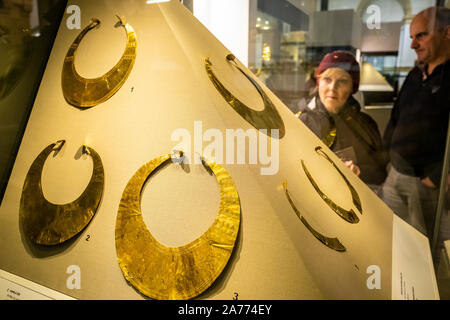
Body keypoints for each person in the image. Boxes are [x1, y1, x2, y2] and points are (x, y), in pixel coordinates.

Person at [380, 7, 450, 238]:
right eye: (411, 37)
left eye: (421, 35)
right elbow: (397, 116)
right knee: (393, 239)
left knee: (426, 248)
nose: (413, 45)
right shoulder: (414, 74)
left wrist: (438, 175)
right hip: (396, 174)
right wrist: (386, 155)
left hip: (428, 184)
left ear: (447, 33)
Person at [297, 51, 388, 192]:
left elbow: (380, 172)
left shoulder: (366, 125)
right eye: (327, 80)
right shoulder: (300, 124)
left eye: (342, 81)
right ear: (318, 83)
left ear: (353, 87)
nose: (332, 88)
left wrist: (358, 172)